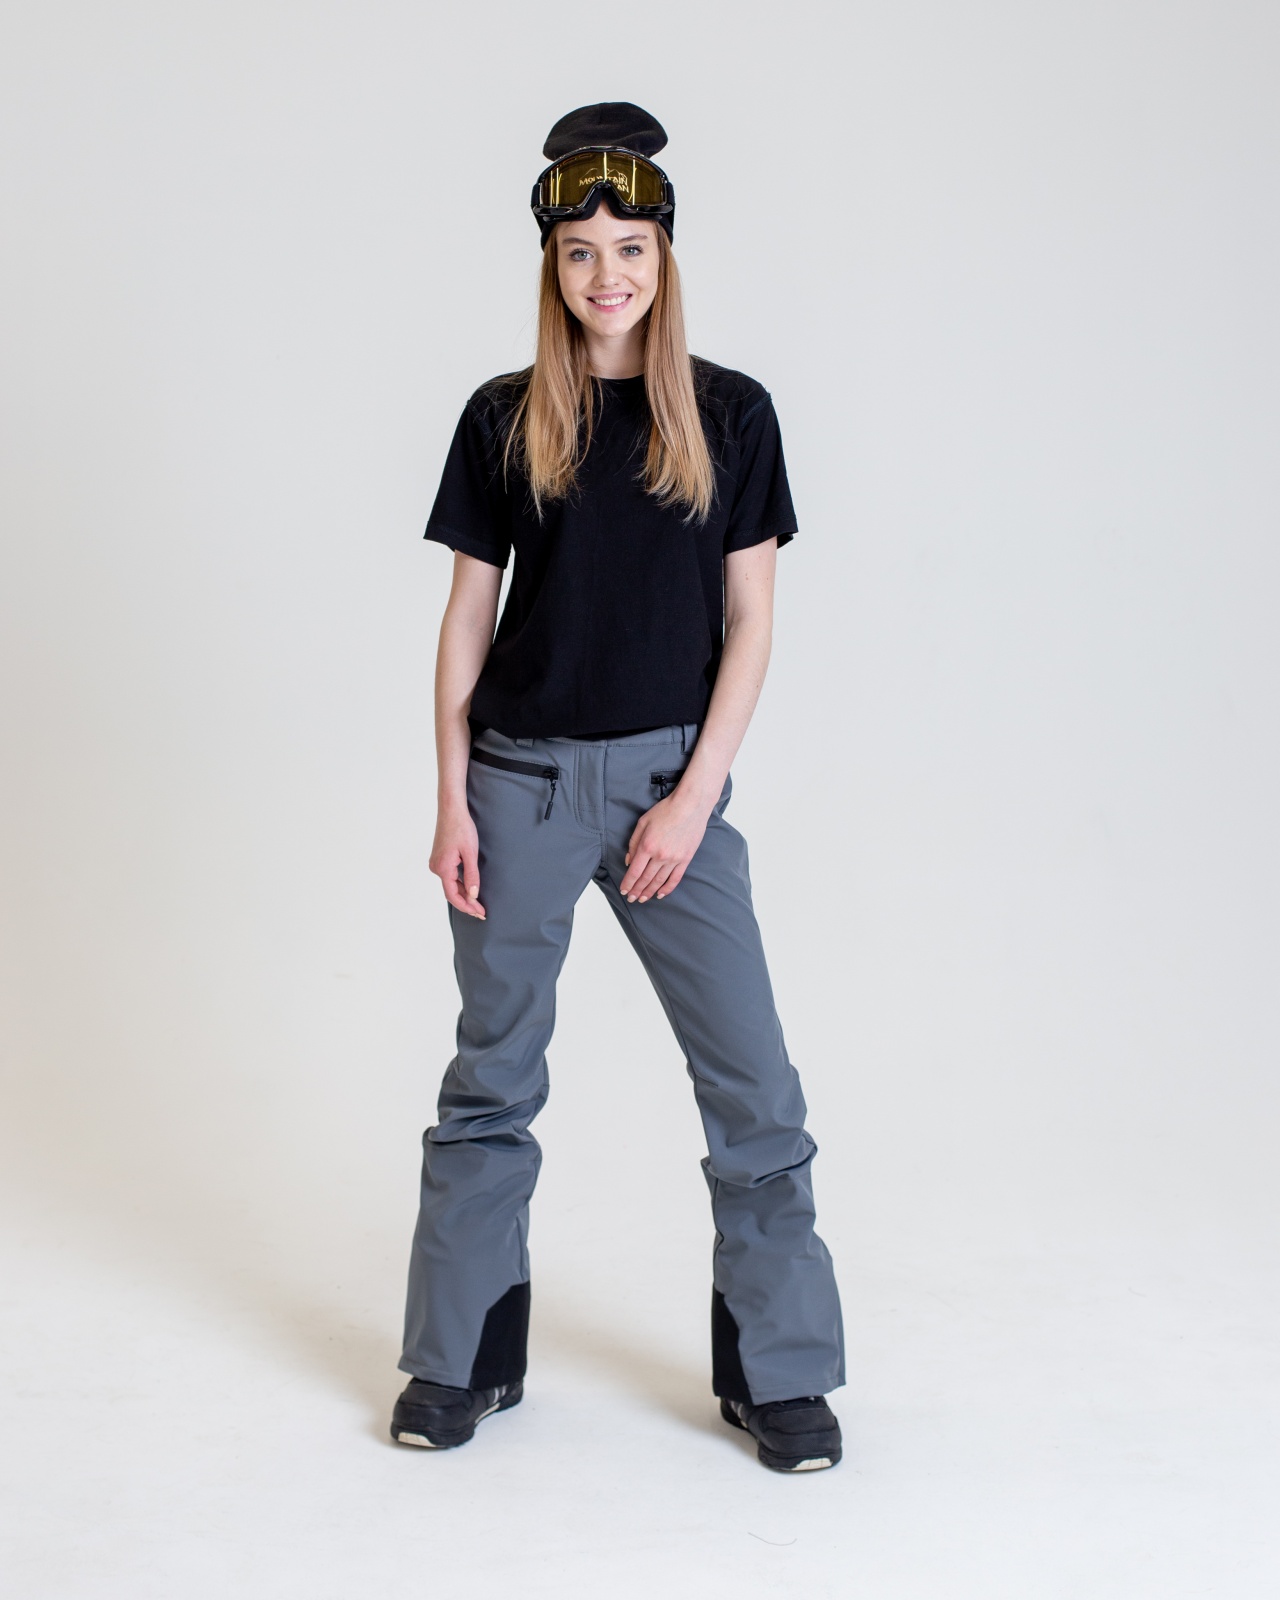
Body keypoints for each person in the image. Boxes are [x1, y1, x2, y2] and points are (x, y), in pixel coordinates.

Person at [391, 102, 845, 1473]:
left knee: (755, 1088)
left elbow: (751, 624)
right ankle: (462, 1361)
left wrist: (693, 798)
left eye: (630, 249)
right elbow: (468, 618)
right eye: (581, 251)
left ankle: (778, 1376)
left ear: (664, 256)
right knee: (490, 1083)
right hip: (517, 788)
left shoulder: (730, 413)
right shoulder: (503, 416)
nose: (607, 276)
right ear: (552, 263)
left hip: (669, 789)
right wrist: (451, 797)